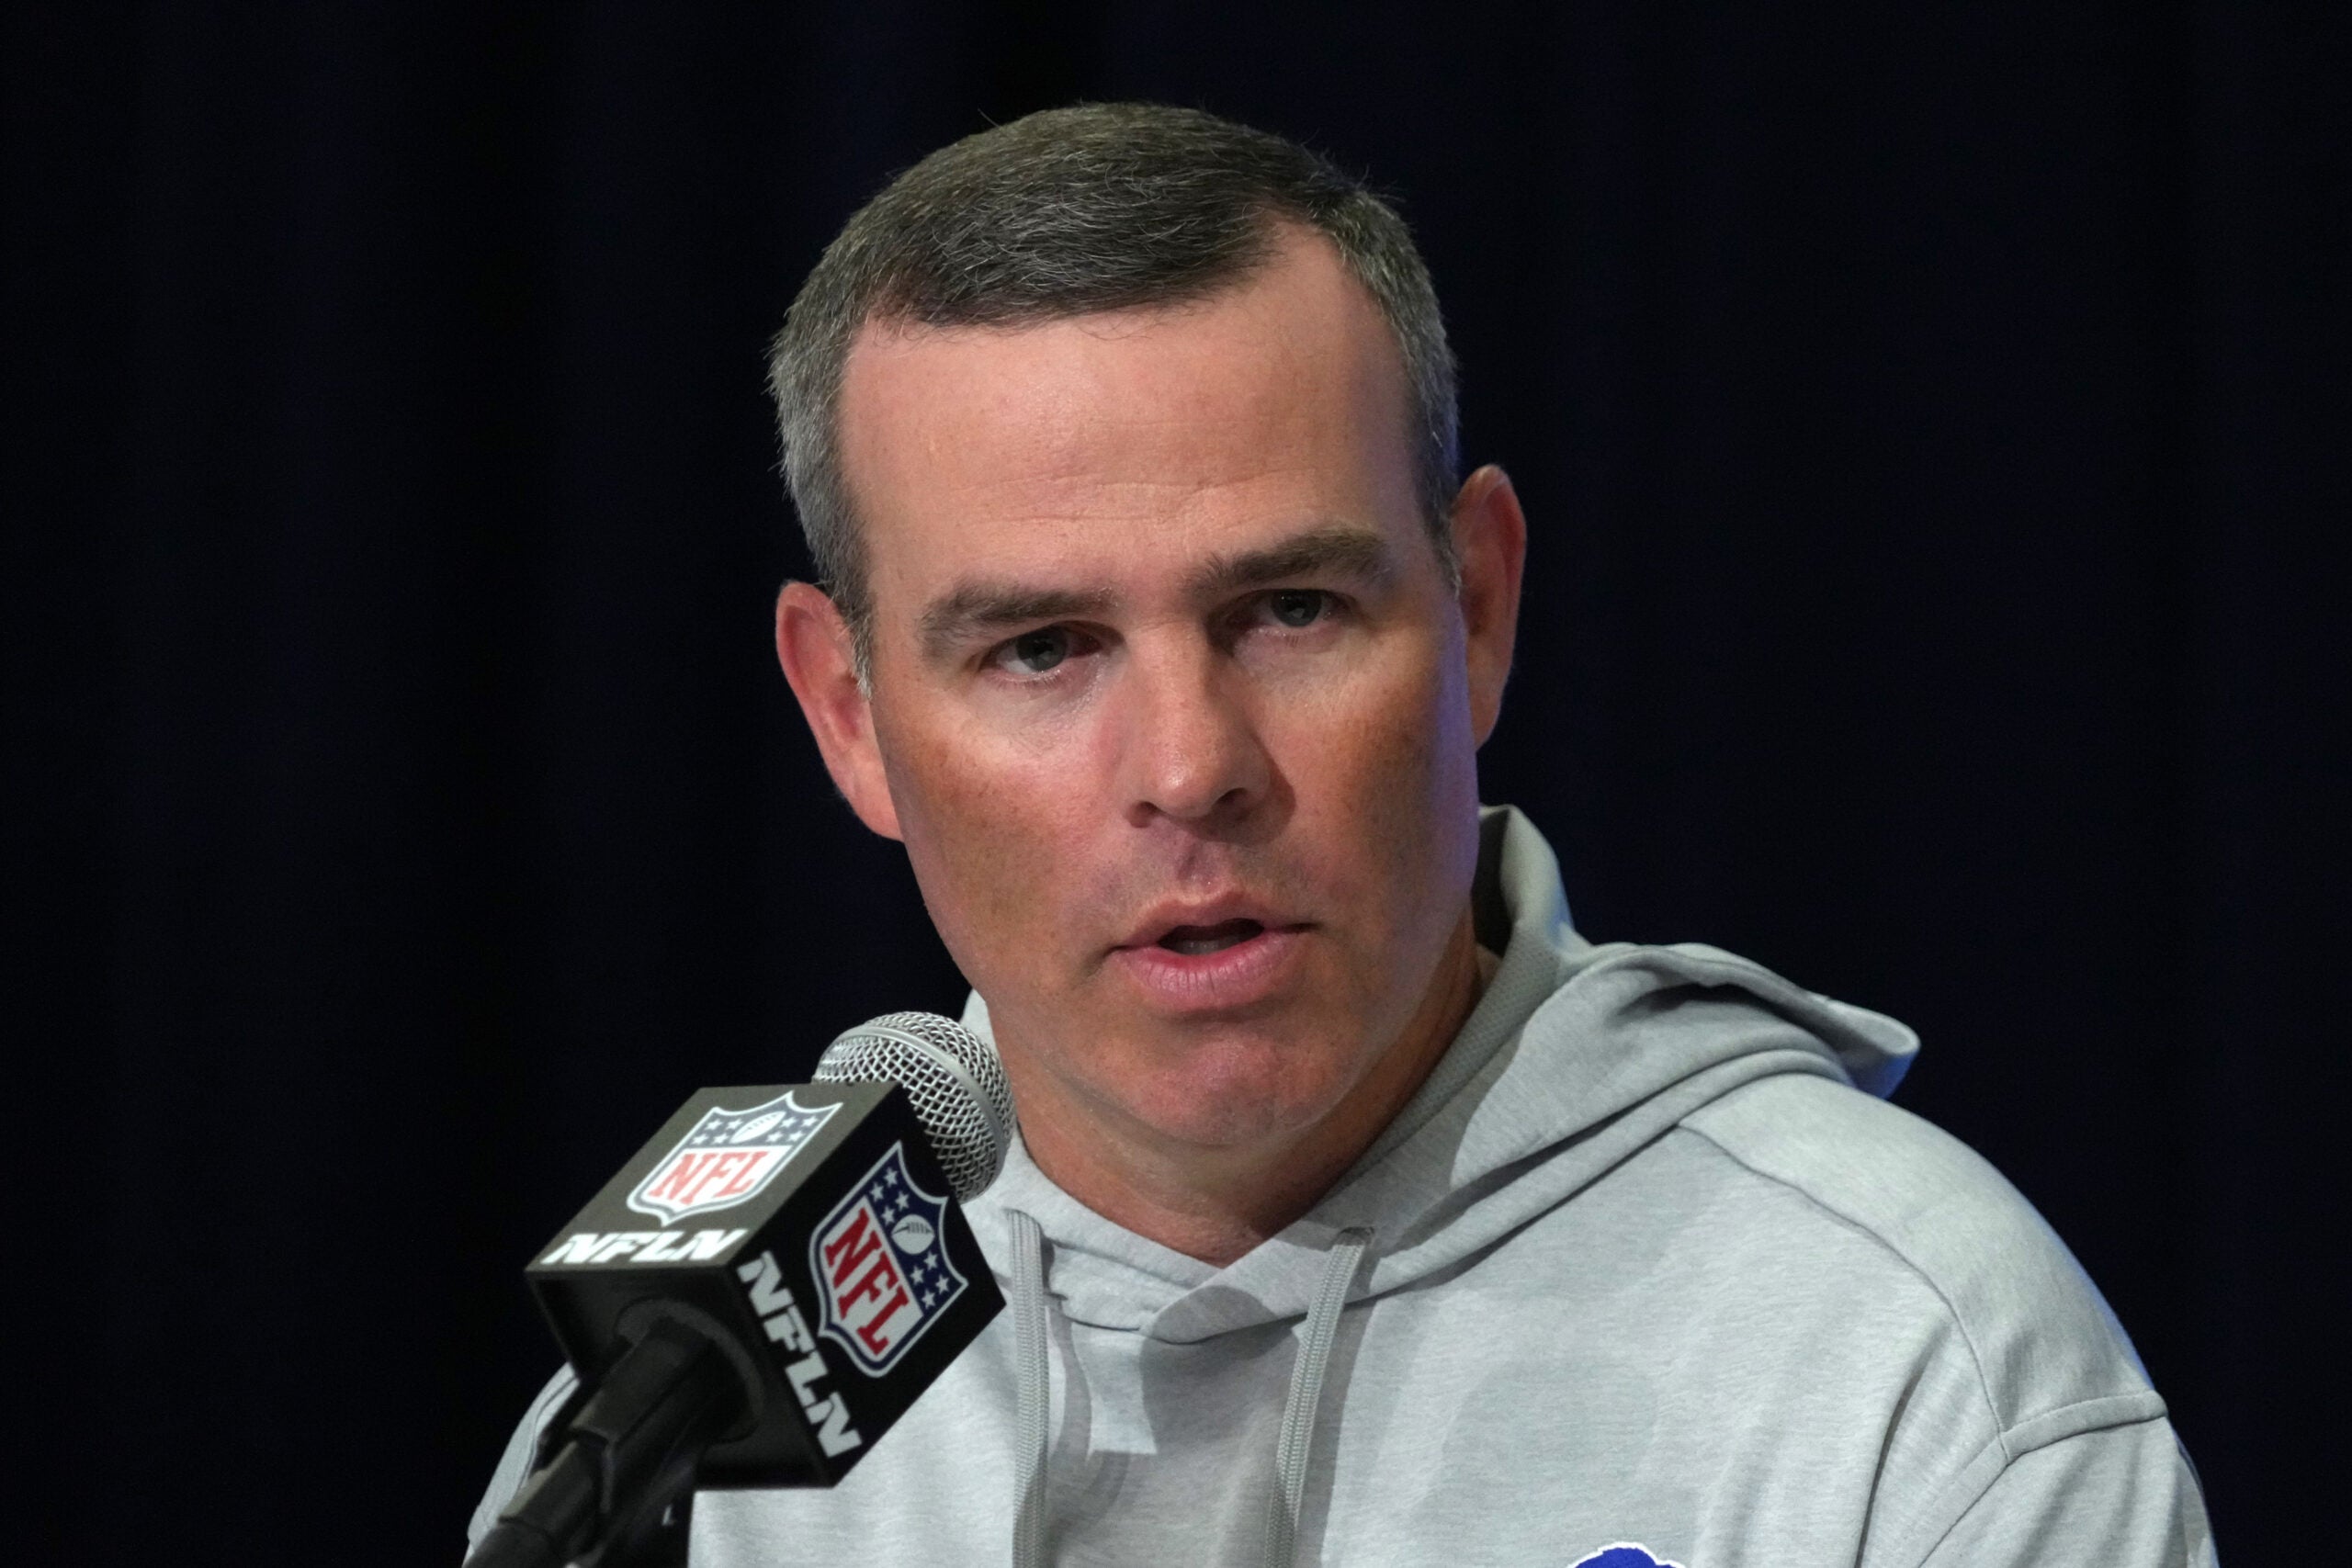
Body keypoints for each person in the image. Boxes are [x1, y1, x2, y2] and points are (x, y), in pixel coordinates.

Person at [469, 103, 2215, 1566]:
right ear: (848, 715)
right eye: (1043, 649)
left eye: (1290, 609)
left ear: (1476, 604)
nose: (1188, 765)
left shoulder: (1912, 1357)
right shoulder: (686, 1429)